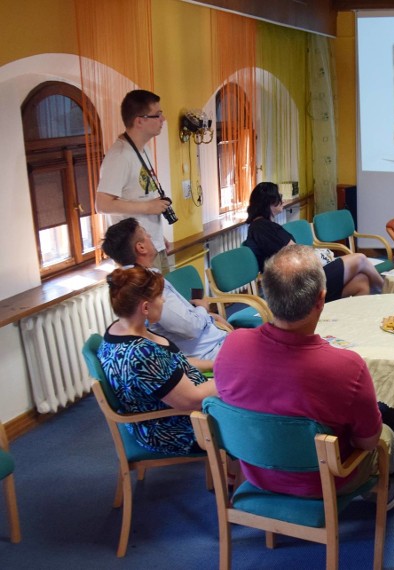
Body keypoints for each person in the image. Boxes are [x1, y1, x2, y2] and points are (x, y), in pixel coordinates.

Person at [214, 245, 394, 508]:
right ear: (321, 299)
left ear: (266, 293)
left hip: (257, 472)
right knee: (386, 435)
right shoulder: (346, 366)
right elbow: (367, 441)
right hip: (325, 482)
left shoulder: (232, 345)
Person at [97, 266, 217, 455]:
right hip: (175, 427)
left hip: (184, 407)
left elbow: (176, 363)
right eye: (160, 297)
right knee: (253, 410)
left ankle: (234, 471)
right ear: (145, 307)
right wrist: (232, 378)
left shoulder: (122, 329)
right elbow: (191, 400)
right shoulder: (141, 353)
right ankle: (238, 473)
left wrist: (217, 365)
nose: (163, 300)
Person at [101, 217, 228, 363]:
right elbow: (191, 328)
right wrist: (203, 310)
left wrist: (208, 316)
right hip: (208, 353)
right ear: (141, 247)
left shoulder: (138, 279)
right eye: (147, 234)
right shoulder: (147, 286)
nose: (151, 237)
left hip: (210, 344)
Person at [243, 182, 383, 300]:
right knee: (360, 259)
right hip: (298, 284)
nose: (282, 200)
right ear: (269, 203)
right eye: (279, 197)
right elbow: (295, 254)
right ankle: (387, 291)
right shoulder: (262, 228)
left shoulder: (260, 226)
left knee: (362, 283)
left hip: (300, 278)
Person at [96, 90, 174, 274]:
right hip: (136, 256)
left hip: (151, 245)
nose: (163, 119)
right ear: (140, 120)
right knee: (153, 302)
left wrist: (156, 235)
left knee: (168, 300)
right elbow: (102, 204)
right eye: (158, 115)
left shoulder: (141, 150)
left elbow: (141, 193)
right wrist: (148, 208)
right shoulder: (119, 156)